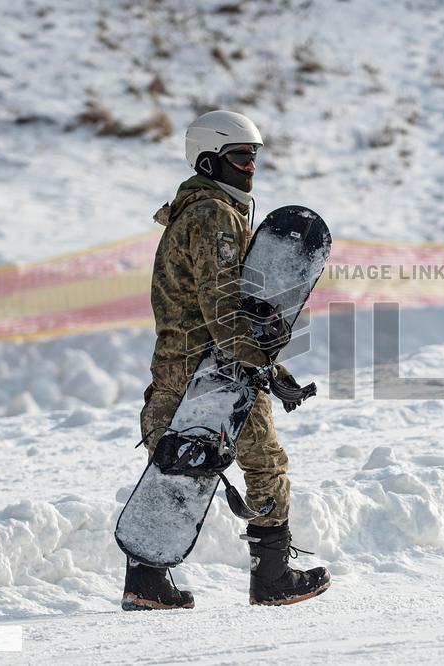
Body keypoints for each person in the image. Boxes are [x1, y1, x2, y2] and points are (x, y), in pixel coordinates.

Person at [121, 110, 331, 610]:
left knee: (176, 469)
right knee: (265, 463)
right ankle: (272, 577)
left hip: (180, 366)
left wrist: (270, 366)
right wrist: (262, 367)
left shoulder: (194, 212)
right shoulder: (214, 215)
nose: (251, 165)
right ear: (208, 161)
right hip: (216, 370)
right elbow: (222, 307)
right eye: (240, 156)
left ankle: (146, 582)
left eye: (254, 156)